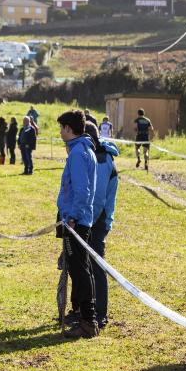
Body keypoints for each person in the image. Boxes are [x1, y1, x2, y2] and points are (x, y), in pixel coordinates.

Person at [67, 122, 118, 331]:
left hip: (95, 220)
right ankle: (80, 310)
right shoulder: (89, 155)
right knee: (79, 265)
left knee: (95, 266)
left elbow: (96, 198)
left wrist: (82, 223)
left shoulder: (101, 159)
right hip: (86, 218)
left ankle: (100, 313)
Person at [56, 110, 98, 339]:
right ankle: (86, 317)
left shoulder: (78, 153)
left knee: (80, 271)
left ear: (69, 129)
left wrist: (72, 217)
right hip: (77, 219)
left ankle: (88, 320)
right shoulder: (82, 150)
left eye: (61, 127)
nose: (60, 131)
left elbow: (82, 191)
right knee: (80, 268)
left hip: (76, 221)